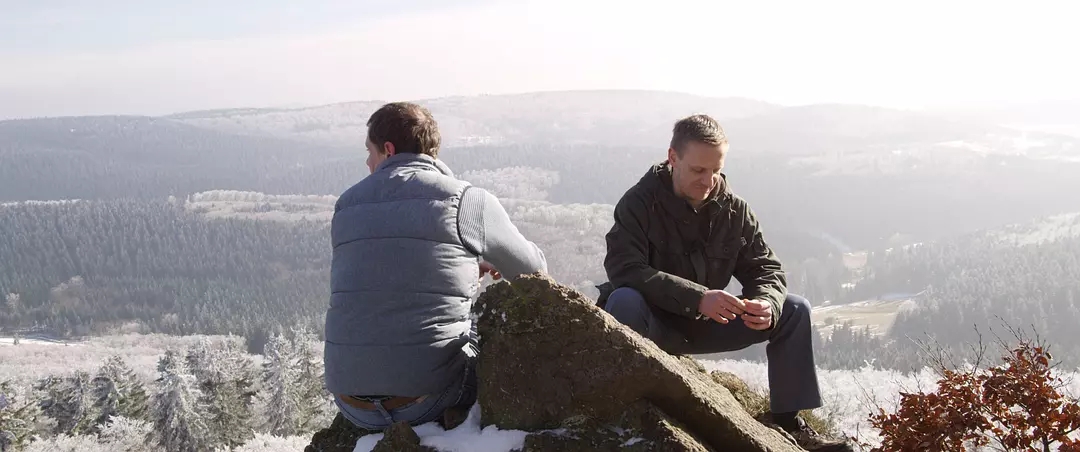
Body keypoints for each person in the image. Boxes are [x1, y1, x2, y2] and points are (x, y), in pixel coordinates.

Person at [598, 114, 853, 451]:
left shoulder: (734, 211)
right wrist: (697, 298)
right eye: (698, 170)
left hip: (708, 324)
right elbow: (624, 269)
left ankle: (788, 423)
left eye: (716, 170)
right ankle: (627, 414)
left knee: (793, 309)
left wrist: (766, 302)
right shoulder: (638, 204)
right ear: (673, 158)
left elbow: (766, 269)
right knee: (622, 300)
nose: (708, 181)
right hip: (652, 324)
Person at [323, 101, 548, 431]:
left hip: (351, 403)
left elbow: (381, 278)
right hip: (427, 400)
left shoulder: (347, 204)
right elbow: (534, 272)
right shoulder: (466, 200)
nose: (368, 162)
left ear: (388, 149)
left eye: (369, 151)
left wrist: (465, 267)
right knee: (491, 332)